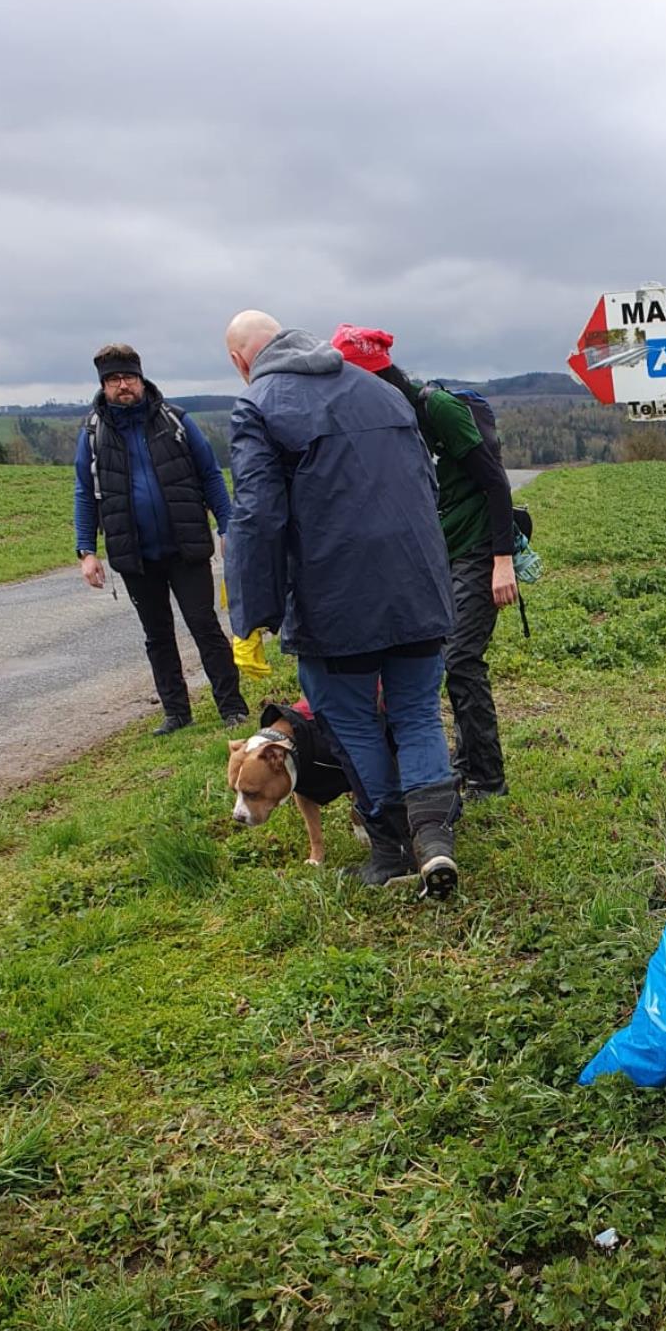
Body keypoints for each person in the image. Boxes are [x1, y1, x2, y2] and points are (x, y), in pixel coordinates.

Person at [222, 310, 460, 898]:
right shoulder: (381, 391)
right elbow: (425, 485)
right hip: (419, 586)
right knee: (417, 712)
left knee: (351, 721)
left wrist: (252, 618)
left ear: (240, 361)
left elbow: (257, 516)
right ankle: (435, 840)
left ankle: (392, 851)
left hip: (335, 603)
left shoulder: (257, 406)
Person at [330, 325, 517, 799]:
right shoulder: (382, 420)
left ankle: (488, 779)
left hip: (476, 545)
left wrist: (502, 560)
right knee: (442, 662)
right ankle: (465, 762)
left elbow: (495, 483)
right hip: (435, 554)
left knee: (462, 659)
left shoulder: (438, 410)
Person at [74, 343, 247, 735]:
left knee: (204, 625)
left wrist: (228, 526)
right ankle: (176, 713)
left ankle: (232, 707)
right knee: (157, 635)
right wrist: (86, 550)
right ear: (103, 385)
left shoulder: (175, 420)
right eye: (114, 380)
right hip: (134, 554)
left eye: (128, 377)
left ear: (141, 378)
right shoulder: (93, 433)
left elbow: (210, 474)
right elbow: (84, 492)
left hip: (186, 547)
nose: (123, 386)